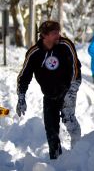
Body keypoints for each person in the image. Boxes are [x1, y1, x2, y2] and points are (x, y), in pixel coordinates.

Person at [16, 20, 82, 159]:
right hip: (49, 95)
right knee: (51, 129)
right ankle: (56, 159)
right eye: (54, 33)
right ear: (44, 35)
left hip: (67, 90)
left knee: (69, 120)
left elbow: (75, 67)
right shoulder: (34, 53)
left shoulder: (65, 45)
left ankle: (78, 152)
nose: (58, 35)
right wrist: (21, 96)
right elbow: (24, 75)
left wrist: (72, 90)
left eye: (58, 32)